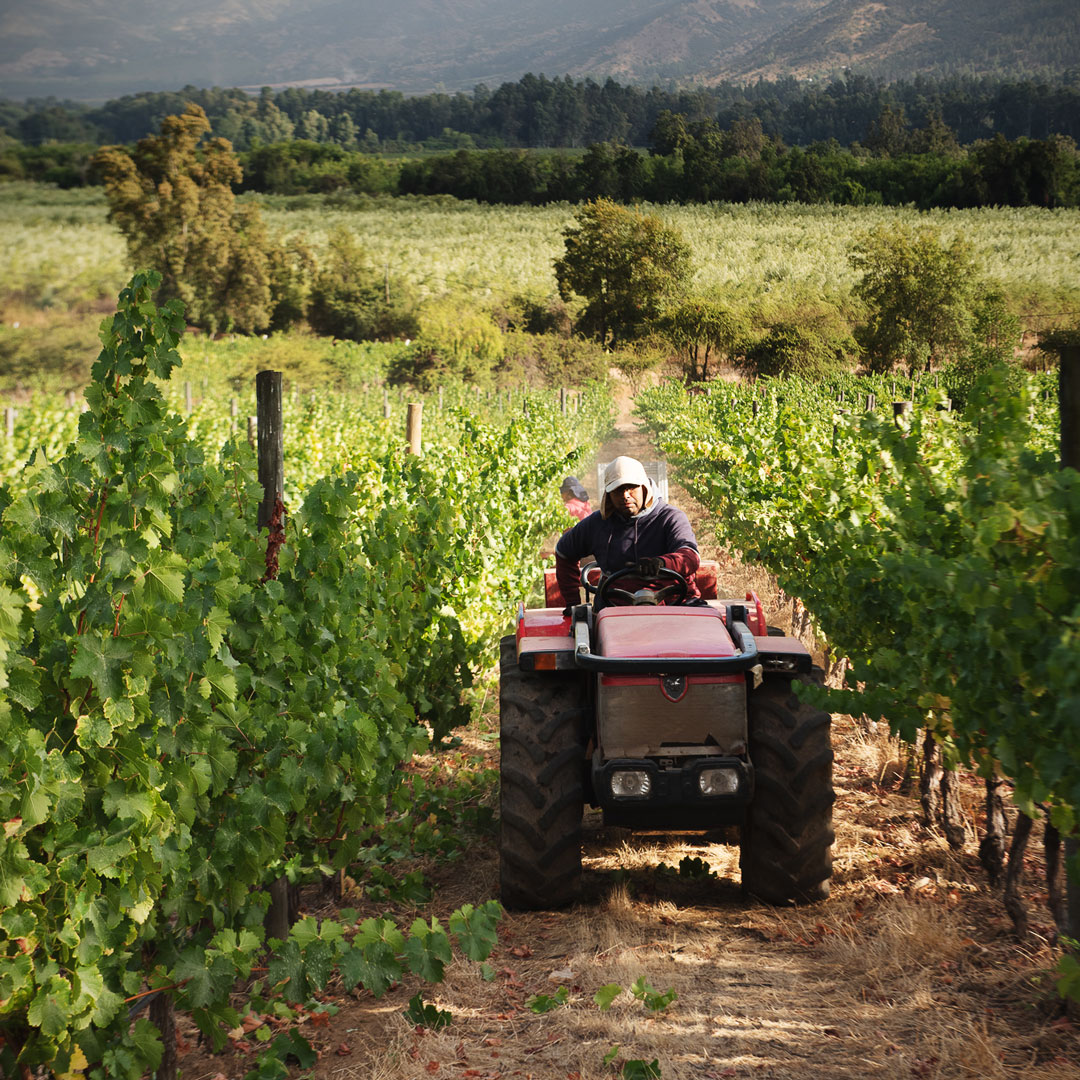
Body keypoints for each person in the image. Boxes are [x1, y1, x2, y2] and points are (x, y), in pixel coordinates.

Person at [554, 455, 701, 609]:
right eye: (617, 490)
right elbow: (564, 552)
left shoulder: (670, 517)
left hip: (676, 606)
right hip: (615, 611)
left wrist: (662, 563)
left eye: (631, 487)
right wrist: (573, 604)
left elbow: (690, 556)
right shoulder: (597, 524)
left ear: (644, 487)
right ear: (608, 495)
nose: (625, 495)